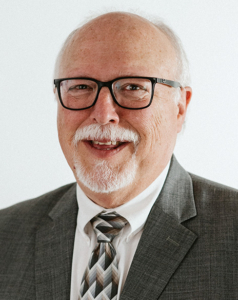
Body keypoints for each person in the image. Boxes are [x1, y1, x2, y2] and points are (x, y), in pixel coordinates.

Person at [1, 11, 238, 300]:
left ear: (180, 107)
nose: (103, 115)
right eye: (81, 87)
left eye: (133, 87)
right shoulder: (6, 236)